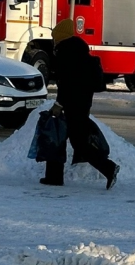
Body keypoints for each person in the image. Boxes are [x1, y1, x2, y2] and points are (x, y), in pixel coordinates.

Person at [44, 19, 119, 189]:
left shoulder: (66, 52)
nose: (54, 40)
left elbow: (67, 83)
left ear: (61, 37)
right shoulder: (79, 49)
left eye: (55, 37)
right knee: (63, 137)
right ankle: (53, 176)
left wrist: (59, 103)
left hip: (72, 103)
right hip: (83, 102)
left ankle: (108, 167)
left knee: (70, 140)